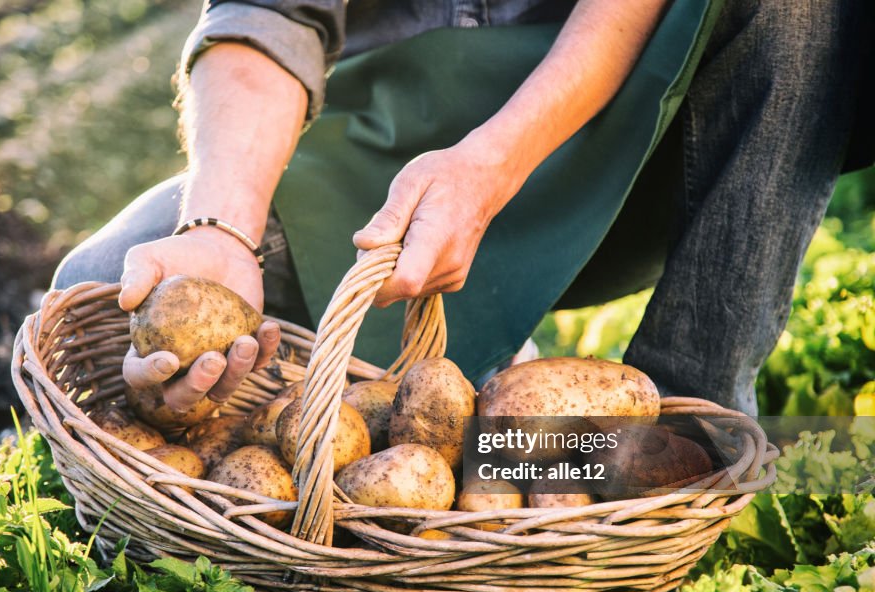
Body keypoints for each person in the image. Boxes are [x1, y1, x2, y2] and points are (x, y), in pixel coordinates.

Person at [53, 0, 872, 417]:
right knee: (93, 289)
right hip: (380, 174)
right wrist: (220, 230)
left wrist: (490, 163)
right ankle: (475, 381)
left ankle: (683, 429)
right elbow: (268, 16)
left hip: (623, 137)